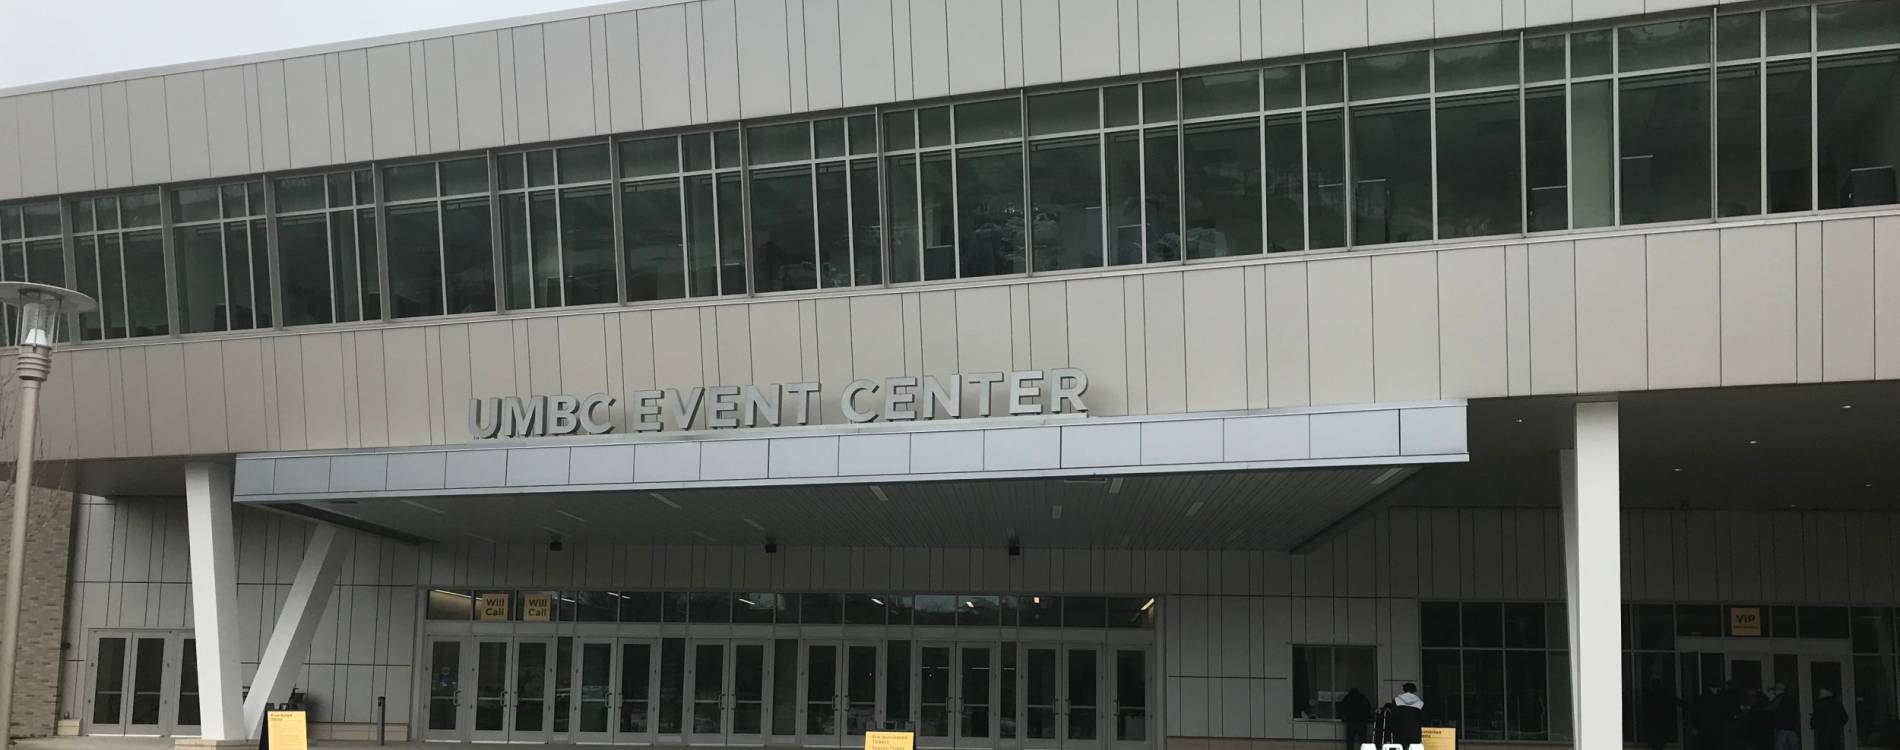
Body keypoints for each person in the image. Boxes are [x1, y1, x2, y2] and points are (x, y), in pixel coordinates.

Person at [1643, 677, 1682, 750]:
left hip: (1654, 725)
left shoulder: (1650, 696)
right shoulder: (1665, 694)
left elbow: (1646, 713)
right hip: (1662, 724)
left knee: (1656, 745)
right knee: (1660, 744)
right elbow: (1677, 701)